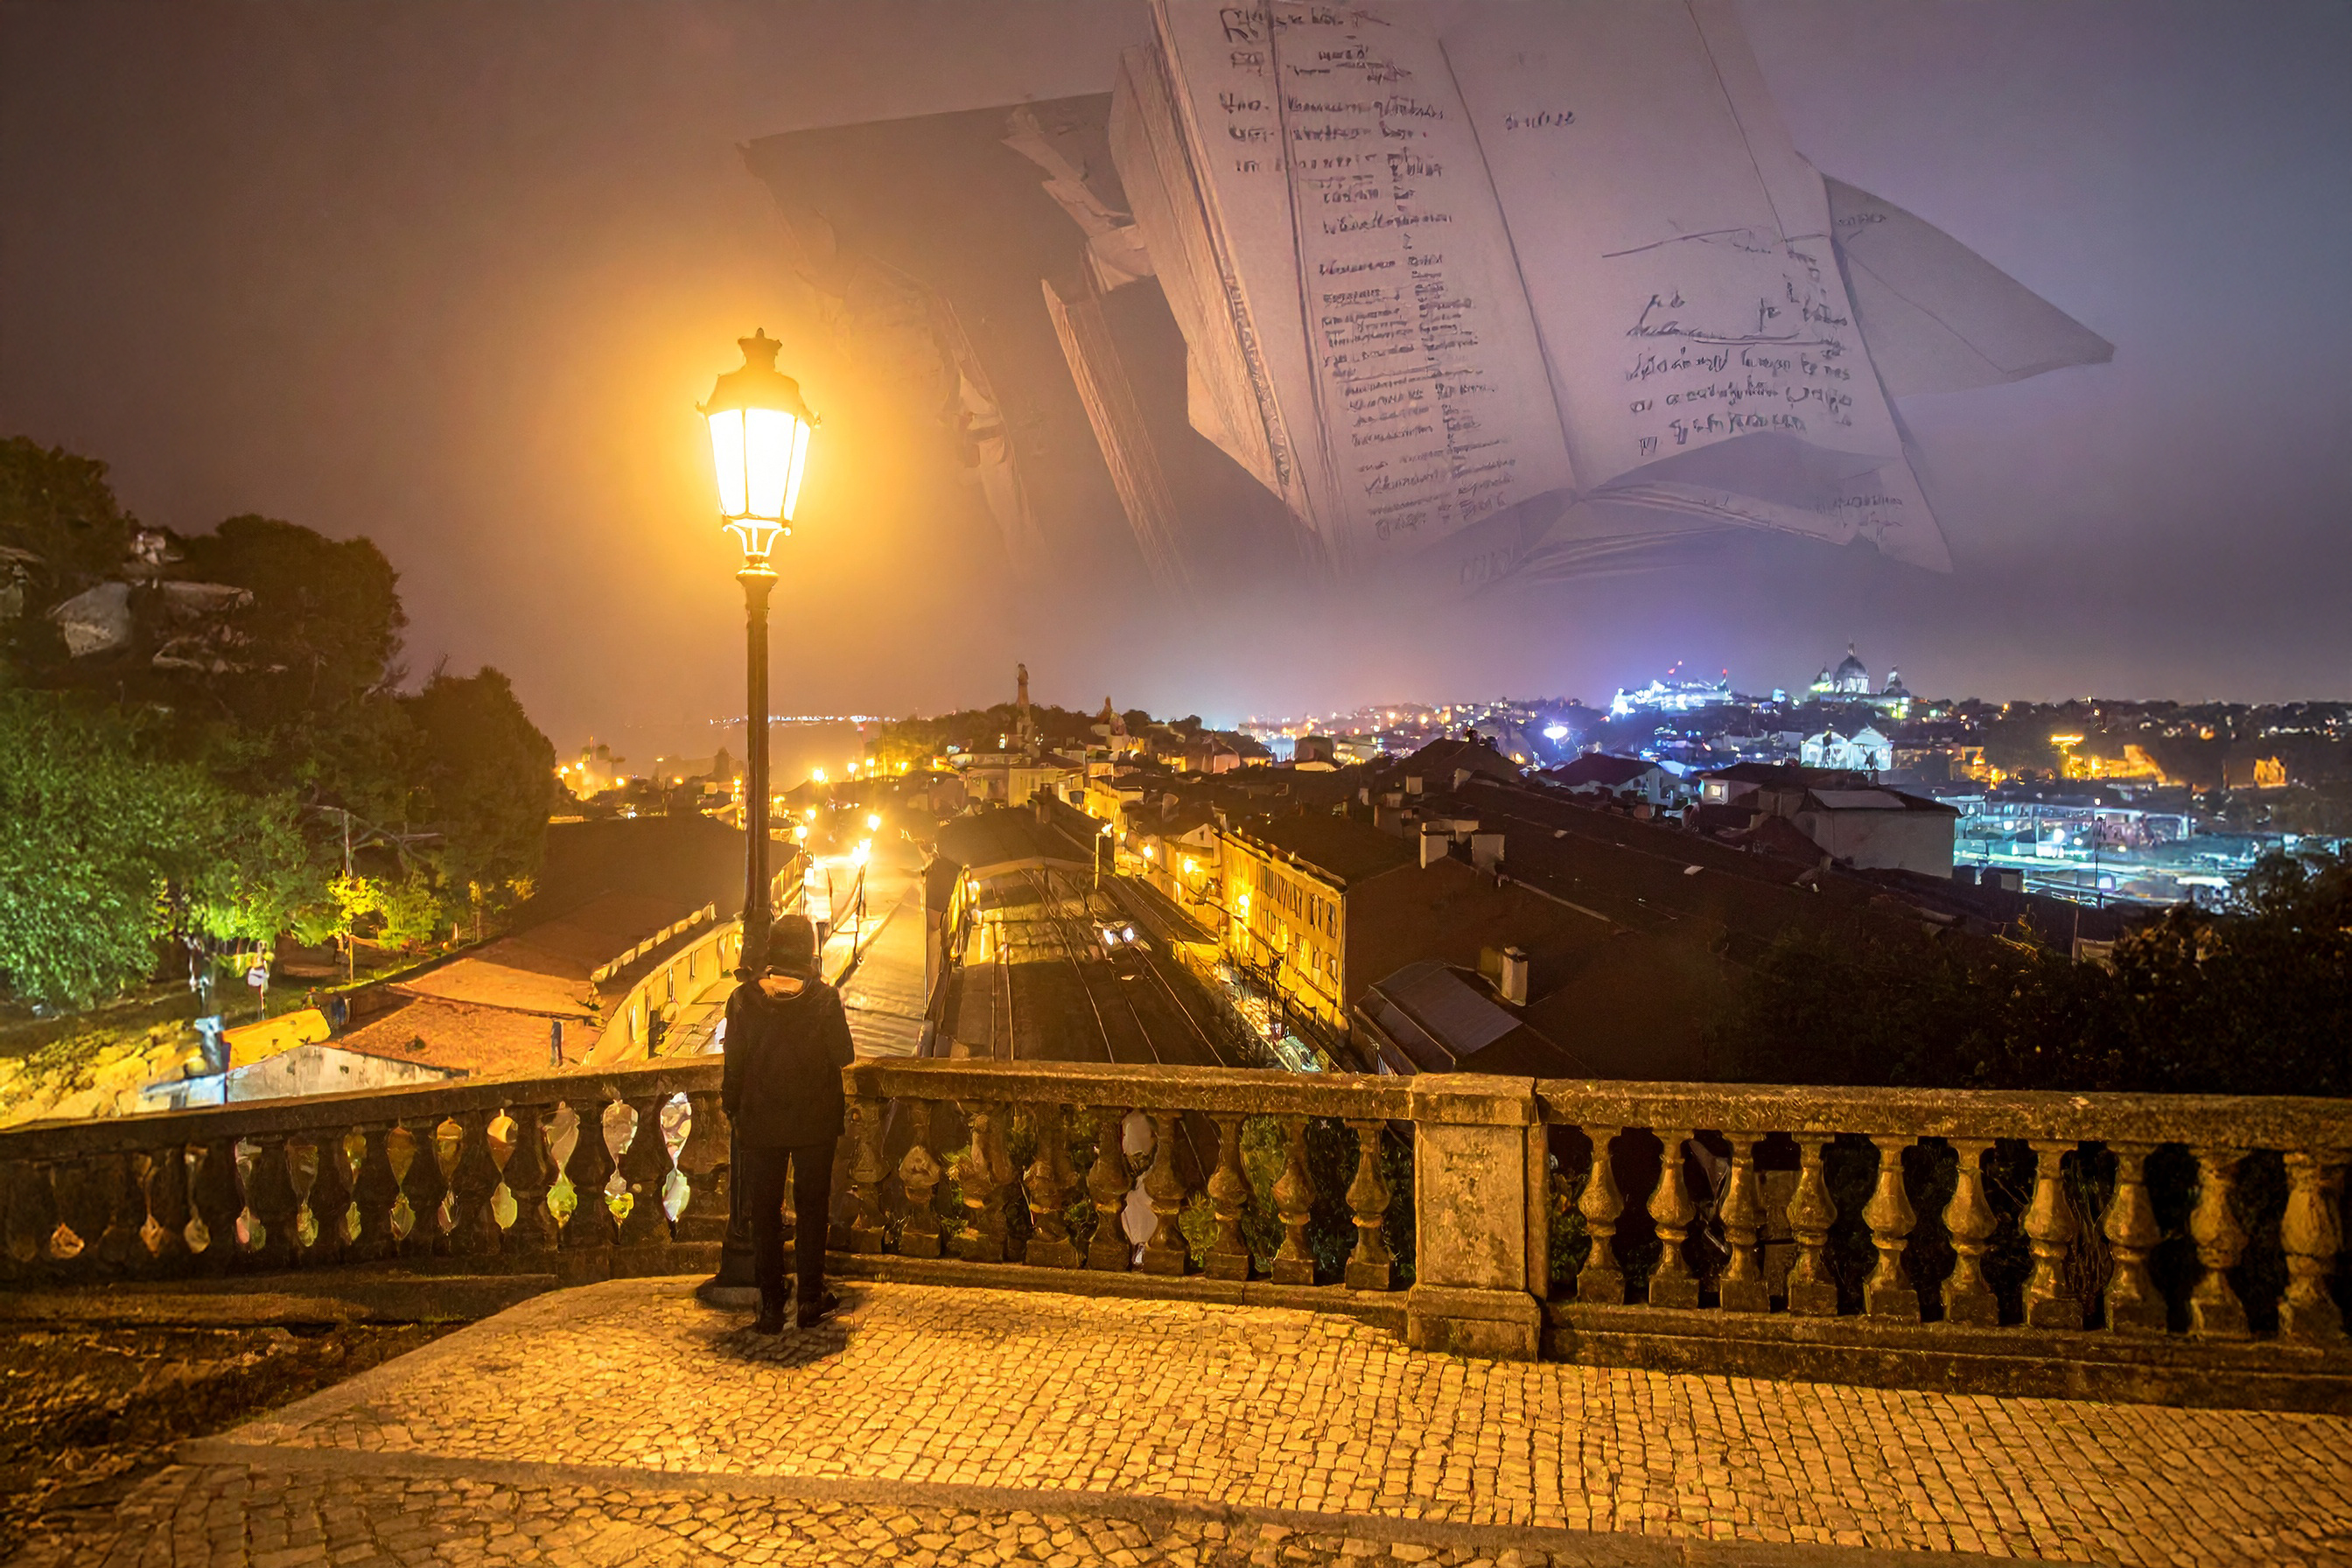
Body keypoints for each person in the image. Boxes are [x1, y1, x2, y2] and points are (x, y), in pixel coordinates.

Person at [720, 914, 852, 1334]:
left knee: (764, 1212)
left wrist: (732, 1107)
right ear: (809, 953)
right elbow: (844, 1055)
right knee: (812, 1209)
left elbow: (734, 1064)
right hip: (815, 1121)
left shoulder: (743, 1000)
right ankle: (810, 1298)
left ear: (772, 951)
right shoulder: (824, 999)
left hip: (760, 1120)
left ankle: (772, 1304)